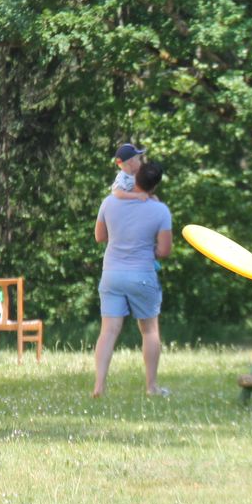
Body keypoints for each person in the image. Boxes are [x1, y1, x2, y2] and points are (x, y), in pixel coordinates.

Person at [93, 162, 172, 397]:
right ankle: (151, 386)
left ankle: (99, 386)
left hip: (111, 275)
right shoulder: (160, 211)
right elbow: (164, 250)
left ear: (135, 177)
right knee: (149, 331)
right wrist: (147, 249)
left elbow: (100, 236)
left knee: (108, 331)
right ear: (155, 185)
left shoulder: (109, 202)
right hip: (142, 276)